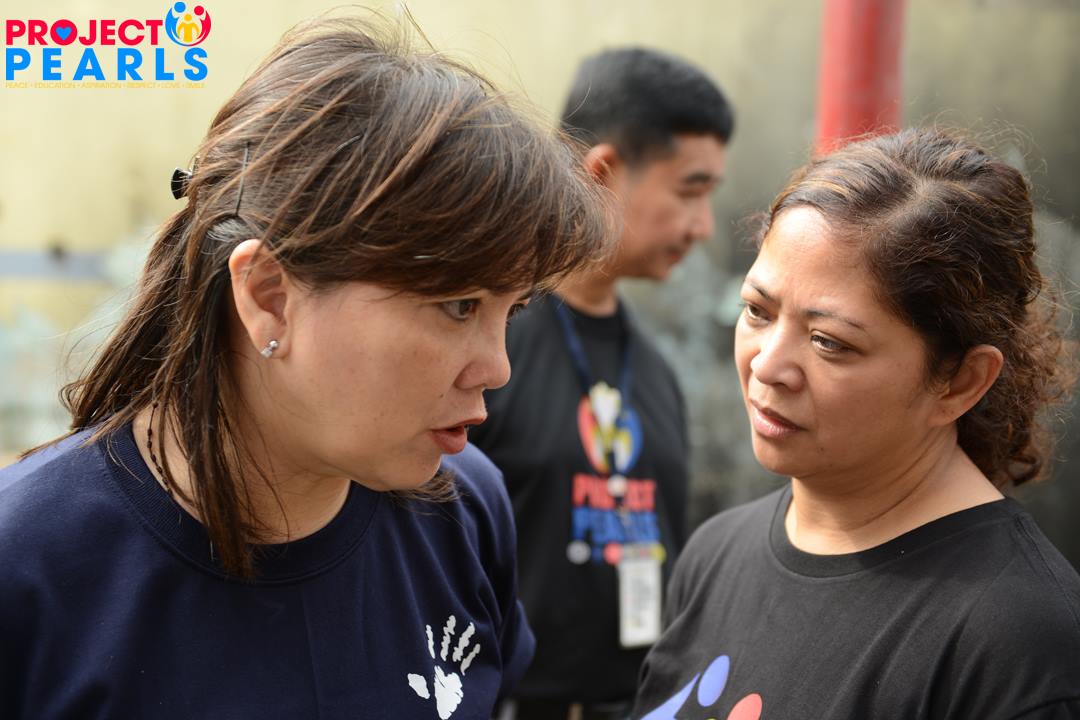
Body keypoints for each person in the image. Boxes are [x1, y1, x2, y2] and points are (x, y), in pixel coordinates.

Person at [0, 17, 612, 720]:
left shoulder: (464, 512)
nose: (497, 368)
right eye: (458, 305)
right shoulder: (28, 564)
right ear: (269, 297)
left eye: (515, 309)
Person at [633, 128, 1080, 720]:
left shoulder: (1016, 642)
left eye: (829, 342)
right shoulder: (716, 553)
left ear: (960, 381)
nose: (767, 366)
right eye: (757, 311)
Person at [471, 48, 734, 719]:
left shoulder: (656, 372)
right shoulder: (485, 348)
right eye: (690, 190)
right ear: (604, 172)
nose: (703, 226)